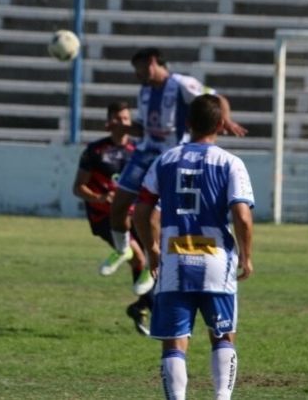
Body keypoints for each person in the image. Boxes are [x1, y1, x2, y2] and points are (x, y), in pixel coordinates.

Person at [135, 94, 254, 400]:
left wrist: (152, 249)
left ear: (187, 123)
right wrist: (247, 257)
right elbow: (242, 216)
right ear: (220, 124)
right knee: (223, 336)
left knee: (175, 341)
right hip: (217, 261)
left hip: (175, 258)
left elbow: (142, 210)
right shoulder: (230, 163)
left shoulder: (165, 160)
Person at [106, 47, 247, 297]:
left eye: (138, 68)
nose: (136, 74)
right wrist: (124, 129)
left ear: (151, 62)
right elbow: (148, 128)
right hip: (145, 152)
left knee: (153, 215)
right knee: (118, 206)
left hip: (172, 157)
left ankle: (153, 263)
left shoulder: (182, 83)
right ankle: (123, 249)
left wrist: (226, 119)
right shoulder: (146, 90)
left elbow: (217, 98)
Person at [72, 101, 152, 335]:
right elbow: (78, 188)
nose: (123, 123)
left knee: (149, 261)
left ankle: (142, 307)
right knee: (138, 257)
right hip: (104, 218)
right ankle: (152, 309)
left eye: (127, 118)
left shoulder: (138, 152)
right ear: (109, 123)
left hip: (133, 214)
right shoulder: (95, 151)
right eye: (118, 118)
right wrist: (100, 198)